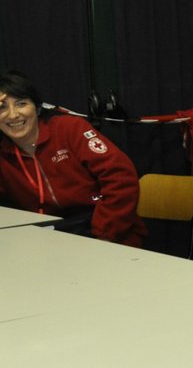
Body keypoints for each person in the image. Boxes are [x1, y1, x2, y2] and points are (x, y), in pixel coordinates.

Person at [0, 70, 144, 246]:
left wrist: (103, 234)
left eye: (21, 103)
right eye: (2, 107)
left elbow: (121, 179)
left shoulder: (69, 129)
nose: (13, 115)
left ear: (37, 107)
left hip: (107, 230)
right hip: (48, 240)